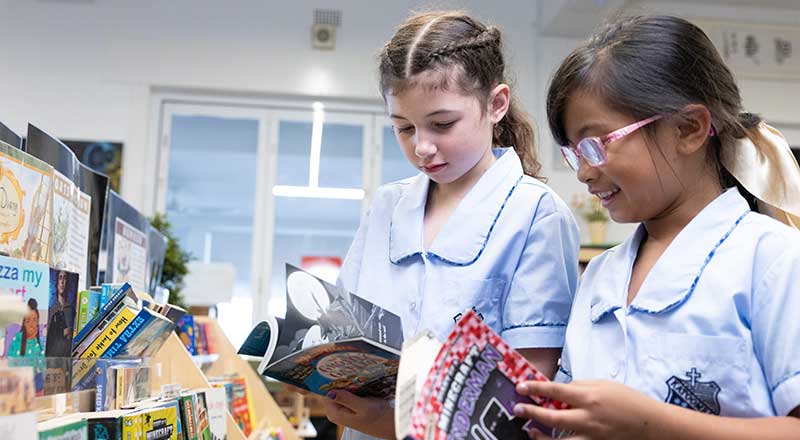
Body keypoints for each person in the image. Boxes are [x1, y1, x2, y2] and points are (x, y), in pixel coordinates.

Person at [513, 15, 800, 439]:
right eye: (575, 153)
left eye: (596, 144)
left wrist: (649, 424)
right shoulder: (602, 276)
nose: (584, 173)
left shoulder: (775, 259)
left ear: (688, 129)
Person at [325, 10, 580, 439]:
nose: (422, 147)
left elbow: (526, 401)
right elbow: (345, 330)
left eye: (442, 124)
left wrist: (393, 424)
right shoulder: (387, 206)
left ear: (496, 104)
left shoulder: (536, 214)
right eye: (403, 128)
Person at [45, 270, 74, 357]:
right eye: (60, 278)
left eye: (64, 278)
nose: (62, 282)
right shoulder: (50, 309)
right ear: (56, 283)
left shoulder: (71, 309)